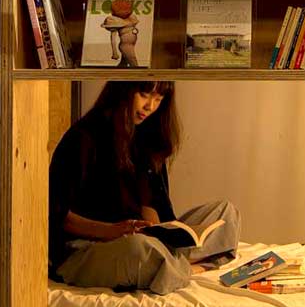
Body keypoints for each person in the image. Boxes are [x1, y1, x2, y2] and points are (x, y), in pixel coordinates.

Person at [48, 81, 240, 295]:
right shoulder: (83, 137)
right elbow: (59, 216)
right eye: (144, 95)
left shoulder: (146, 139)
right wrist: (112, 231)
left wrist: (163, 229)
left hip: (141, 239)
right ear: (123, 90)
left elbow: (156, 208)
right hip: (87, 249)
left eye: (158, 99)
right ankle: (188, 268)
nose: (150, 106)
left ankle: (170, 266)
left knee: (226, 214)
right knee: (139, 250)